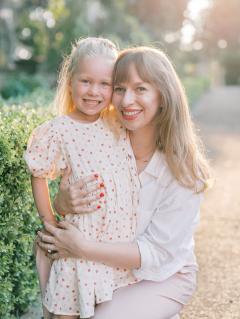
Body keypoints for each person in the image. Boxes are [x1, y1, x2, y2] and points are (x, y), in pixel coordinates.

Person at [37, 46, 212, 319]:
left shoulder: (184, 173)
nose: (127, 100)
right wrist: (62, 202)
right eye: (119, 89)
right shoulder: (102, 138)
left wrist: (82, 247)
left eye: (141, 89)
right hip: (104, 268)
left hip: (163, 275)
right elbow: (75, 201)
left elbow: (157, 253)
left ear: (163, 97)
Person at [24, 37, 140, 319]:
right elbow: (38, 174)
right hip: (78, 244)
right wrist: (50, 221)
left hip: (114, 246)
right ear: (70, 82)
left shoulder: (118, 123)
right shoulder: (59, 130)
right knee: (67, 312)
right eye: (85, 81)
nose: (94, 92)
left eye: (104, 84)